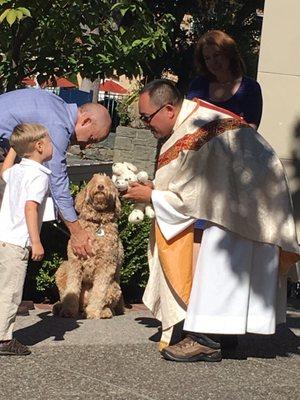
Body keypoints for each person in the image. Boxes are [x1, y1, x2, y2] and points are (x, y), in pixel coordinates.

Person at [123, 79, 300, 362]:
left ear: (168, 109)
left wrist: (151, 196)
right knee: (233, 256)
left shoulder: (198, 131)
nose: (146, 124)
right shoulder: (197, 120)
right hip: (252, 201)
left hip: (240, 208)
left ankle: (205, 337)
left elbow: (188, 199)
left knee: (220, 257)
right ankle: (224, 332)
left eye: (147, 117)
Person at [0, 88, 112, 259]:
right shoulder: (58, 125)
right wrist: (77, 233)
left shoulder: (56, 106)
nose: (86, 146)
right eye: (91, 139)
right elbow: (57, 181)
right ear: (86, 121)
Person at [0, 123, 53, 356]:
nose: (53, 145)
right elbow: (30, 208)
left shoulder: (19, 170)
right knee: (10, 293)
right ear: (40, 146)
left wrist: (13, 148)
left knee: (2, 288)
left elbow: (4, 171)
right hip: (17, 242)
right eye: (49, 141)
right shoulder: (38, 176)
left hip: (3, 237)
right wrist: (36, 241)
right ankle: (3, 339)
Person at [187, 30, 262, 129]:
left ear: (229, 54)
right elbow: (188, 121)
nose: (213, 62)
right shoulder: (198, 85)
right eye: (207, 58)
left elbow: (250, 129)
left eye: (217, 55)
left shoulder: (250, 88)